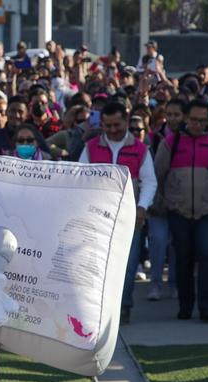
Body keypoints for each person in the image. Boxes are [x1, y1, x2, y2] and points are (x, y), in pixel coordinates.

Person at [79, 102, 157, 324]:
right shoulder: (91, 147)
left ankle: (123, 307)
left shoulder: (141, 149)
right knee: (98, 265)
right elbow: (81, 177)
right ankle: (100, 309)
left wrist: (142, 208)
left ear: (127, 121)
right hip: (98, 217)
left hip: (129, 219)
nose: (112, 130)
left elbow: (149, 182)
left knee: (129, 265)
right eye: (108, 125)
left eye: (117, 125)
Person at [154, 98, 208, 321]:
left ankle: (207, 306)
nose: (197, 125)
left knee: (207, 254)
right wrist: (166, 202)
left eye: (202, 121)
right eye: (193, 120)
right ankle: (185, 306)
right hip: (179, 210)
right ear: (186, 118)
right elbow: (159, 173)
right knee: (183, 257)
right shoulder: (171, 143)